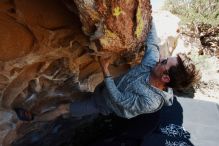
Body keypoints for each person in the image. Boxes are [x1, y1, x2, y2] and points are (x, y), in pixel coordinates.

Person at [15, 20, 200, 121]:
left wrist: (105, 70)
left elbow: (118, 98)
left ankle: (34, 118)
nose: (161, 58)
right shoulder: (152, 64)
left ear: (165, 78)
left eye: (165, 62)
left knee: (64, 109)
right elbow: (152, 41)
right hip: (104, 87)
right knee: (78, 96)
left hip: (103, 104)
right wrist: (147, 15)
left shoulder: (151, 101)